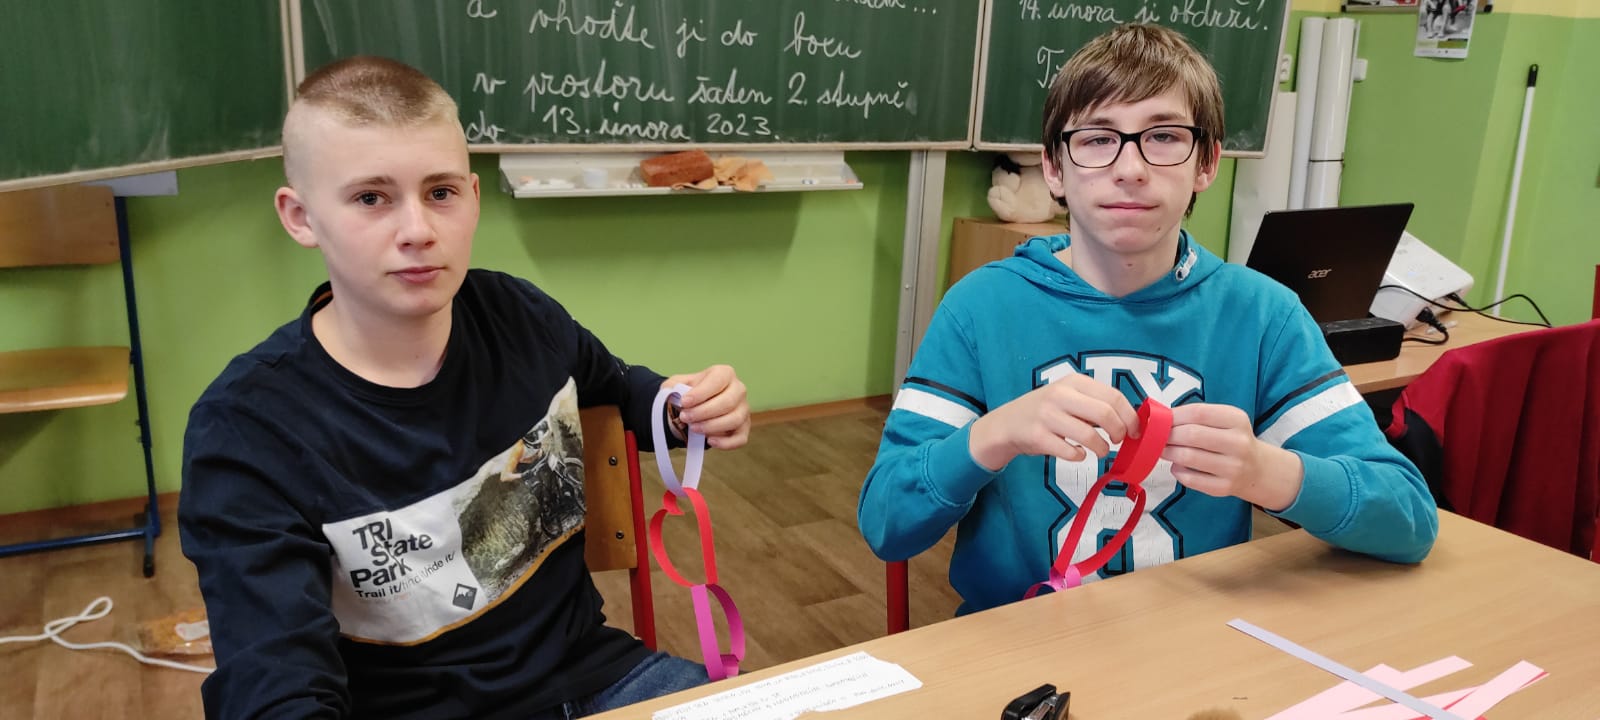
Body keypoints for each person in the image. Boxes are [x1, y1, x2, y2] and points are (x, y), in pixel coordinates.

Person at [179, 56, 751, 719]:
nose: (418, 231)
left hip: (596, 681)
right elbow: (274, 688)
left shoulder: (519, 316)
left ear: (473, 198)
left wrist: (684, 408)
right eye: (371, 198)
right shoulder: (247, 430)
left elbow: (618, 389)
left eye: (441, 192)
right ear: (301, 217)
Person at [858, 24, 1437, 615]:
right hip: (1021, 643)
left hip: (1193, 642)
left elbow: (1410, 520)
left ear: (1206, 163)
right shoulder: (980, 308)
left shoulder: (1263, 316)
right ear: (1054, 168)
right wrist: (992, 435)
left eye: (1163, 137)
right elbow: (885, 524)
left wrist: (1267, 472)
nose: (1131, 167)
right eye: (1097, 138)